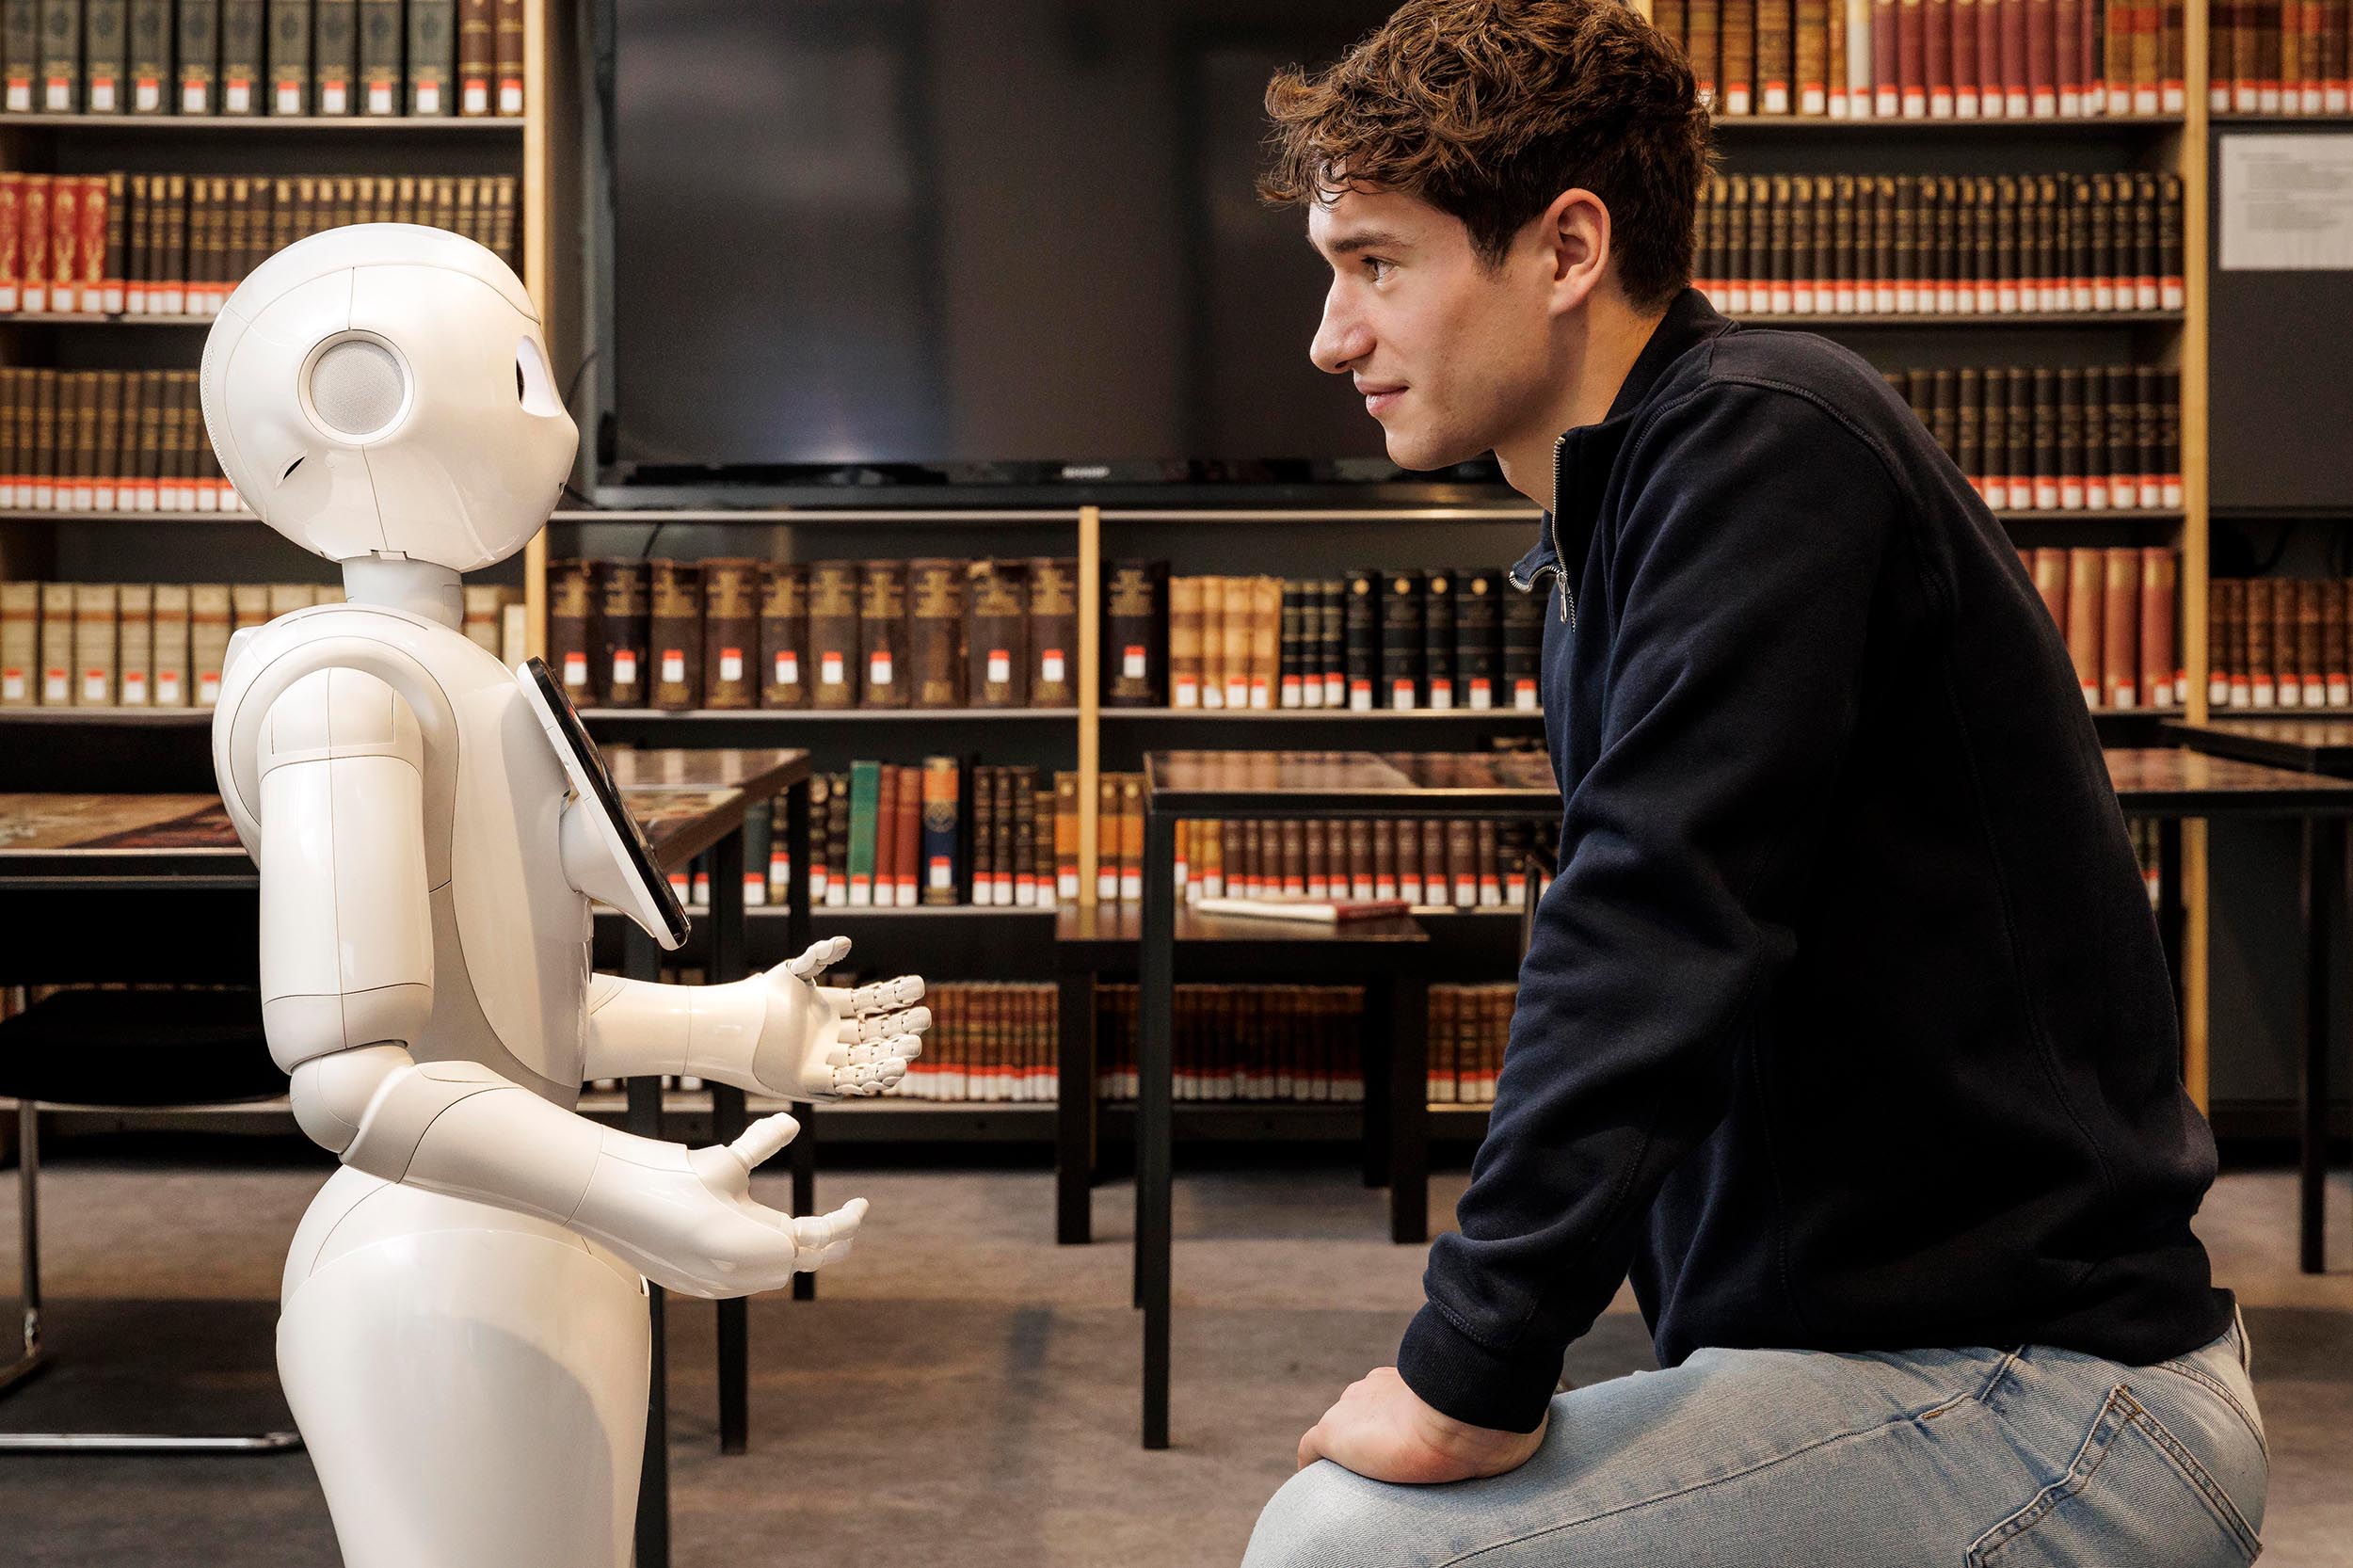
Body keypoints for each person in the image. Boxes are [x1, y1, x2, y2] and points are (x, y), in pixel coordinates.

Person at [1241, 4, 2266, 1563]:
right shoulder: (1622, 512)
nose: (1330, 336)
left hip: (2053, 1396)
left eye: (1376, 263)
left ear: (1568, 248)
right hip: (1859, 1358)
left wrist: (1470, 1367)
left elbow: (1655, 923)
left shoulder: (1760, 442)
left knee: (1345, 1546)